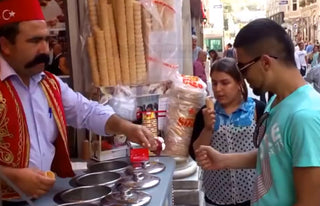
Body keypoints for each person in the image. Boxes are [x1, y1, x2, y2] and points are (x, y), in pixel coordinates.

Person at [0, 0, 158, 201]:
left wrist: (126, 127)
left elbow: (87, 112)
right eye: (34, 41)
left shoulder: (49, 84)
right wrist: (9, 176)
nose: (44, 49)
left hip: (45, 196)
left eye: (46, 40)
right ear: (5, 45)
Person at [195, 18, 320, 206]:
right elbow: (270, 155)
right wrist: (223, 160)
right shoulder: (277, 102)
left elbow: (310, 201)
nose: (242, 77)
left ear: (265, 62)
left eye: (243, 68)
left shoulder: (305, 117)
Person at [190, 58, 265, 206]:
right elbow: (196, 155)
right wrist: (207, 128)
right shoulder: (205, 113)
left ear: (238, 83)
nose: (217, 89)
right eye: (215, 82)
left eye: (225, 83)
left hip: (252, 194)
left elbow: (268, 152)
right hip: (216, 194)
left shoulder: (257, 109)